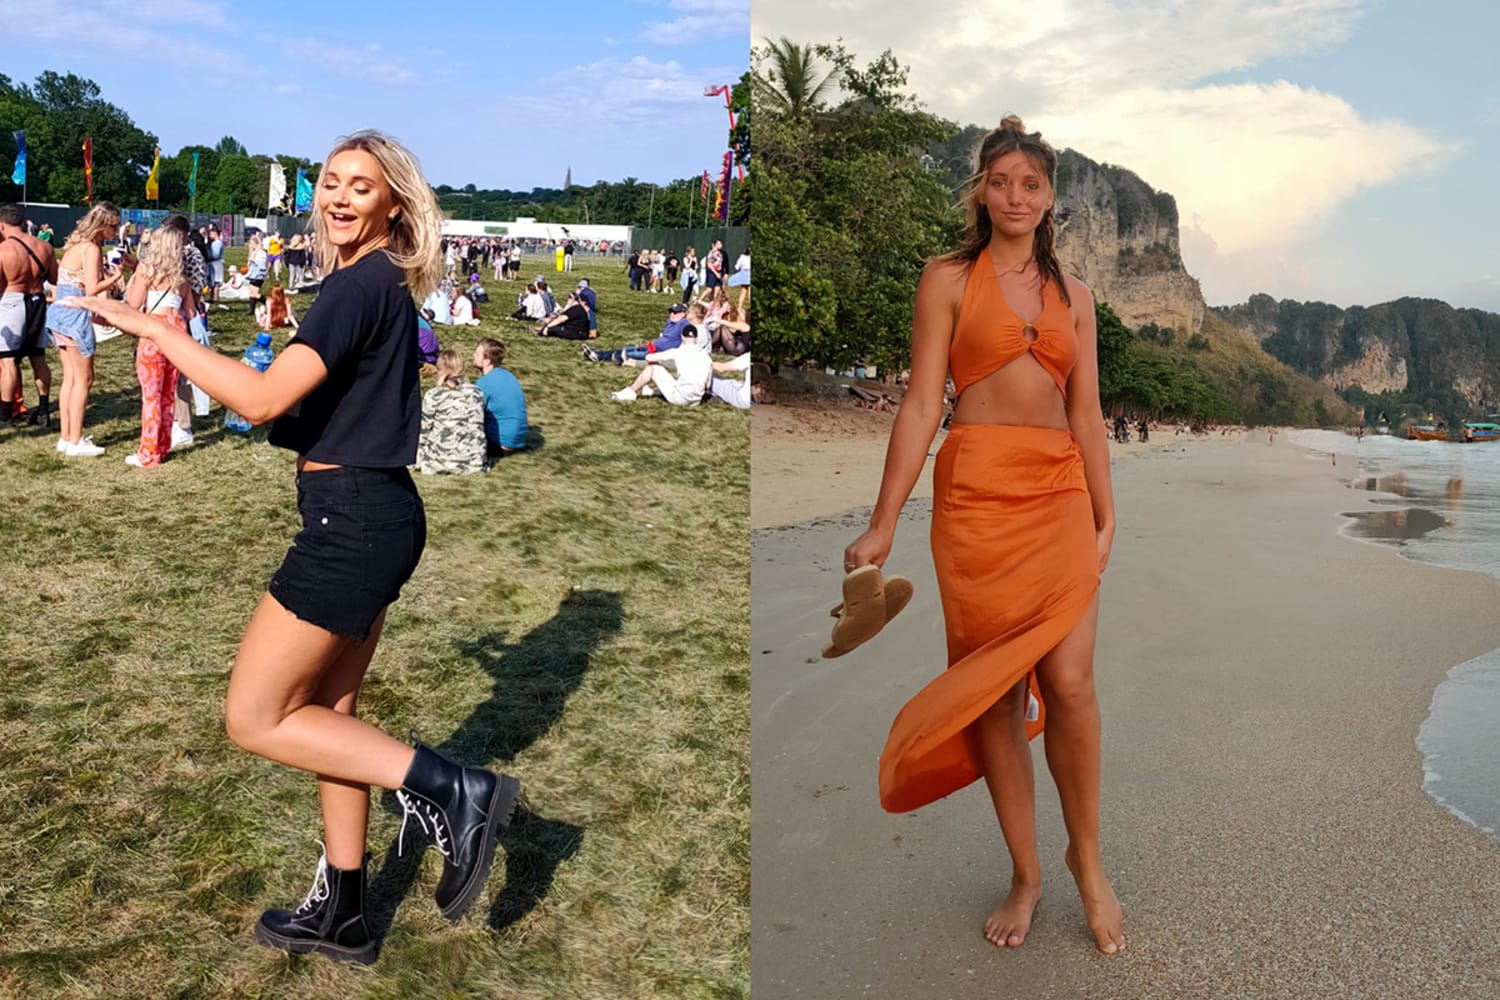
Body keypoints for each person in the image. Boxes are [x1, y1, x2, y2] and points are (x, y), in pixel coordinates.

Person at [64, 130, 523, 964]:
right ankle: (345, 910)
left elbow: (266, 398)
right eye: (332, 182)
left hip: (351, 523)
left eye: (362, 186)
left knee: (257, 717)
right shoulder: (371, 282)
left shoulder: (358, 287)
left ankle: (456, 791)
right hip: (375, 514)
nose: (341, 198)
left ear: (395, 203)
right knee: (328, 716)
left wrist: (153, 329)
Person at [841, 115, 1124, 956]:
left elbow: (1088, 413)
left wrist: (1109, 514)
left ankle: (1089, 860)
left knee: (1070, 683)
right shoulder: (947, 280)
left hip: (1059, 494)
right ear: (981, 190)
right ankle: (1027, 872)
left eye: (1030, 184)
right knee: (996, 694)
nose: (1014, 196)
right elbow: (924, 404)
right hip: (974, 498)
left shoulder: (1078, 298)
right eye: (1000, 182)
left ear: (1049, 199)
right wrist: (883, 520)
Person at [47, 202, 128, 456]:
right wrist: (116, 276)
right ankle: (76, 440)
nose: (116, 230)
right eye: (113, 225)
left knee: (69, 379)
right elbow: (92, 289)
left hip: (60, 311)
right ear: (102, 225)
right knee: (84, 379)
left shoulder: (76, 246)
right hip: (75, 316)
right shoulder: (91, 249)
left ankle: (66, 437)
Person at [121, 221, 190, 468]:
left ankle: (148, 453)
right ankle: (162, 445)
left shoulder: (146, 271)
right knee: (167, 395)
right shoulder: (181, 278)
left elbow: (133, 304)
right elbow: (190, 312)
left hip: (153, 333)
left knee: (151, 396)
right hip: (177, 332)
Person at [0, 204, 58, 429]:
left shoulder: (4, 250)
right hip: (38, 302)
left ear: (2, 225)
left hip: (12, 302)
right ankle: (43, 412)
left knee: (7, 361)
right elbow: (53, 279)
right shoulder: (45, 247)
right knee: (38, 358)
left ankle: (5, 415)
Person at [415, 349, 487, 475]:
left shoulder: (433, 395)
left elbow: (424, 430)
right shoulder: (477, 393)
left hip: (440, 461)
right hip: (475, 462)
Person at [609, 323, 711, 405]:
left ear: (682, 337)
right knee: (678, 379)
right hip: (696, 401)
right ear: (696, 338)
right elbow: (708, 384)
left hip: (680, 399)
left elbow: (648, 357)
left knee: (652, 368)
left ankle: (631, 391)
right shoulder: (707, 357)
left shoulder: (677, 352)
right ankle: (652, 392)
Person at [582, 301, 702, 365]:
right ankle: (597, 354)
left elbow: (696, 327)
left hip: (660, 353)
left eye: (675, 313)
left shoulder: (684, 324)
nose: (672, 315)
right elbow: (662, 339)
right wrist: (645, 344)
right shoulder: (670, 322)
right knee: (626, 349)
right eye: (671, 312)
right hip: (652, 347)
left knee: (625, 354)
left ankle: (601, 357)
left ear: (683, 314)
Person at [472, 337, 528, 457]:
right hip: (517, 440)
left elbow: (472, 413)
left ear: (487, 361)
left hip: (499, 443)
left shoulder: (484, 383)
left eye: (477, 354)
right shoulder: (509, 376)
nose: (473, 356)